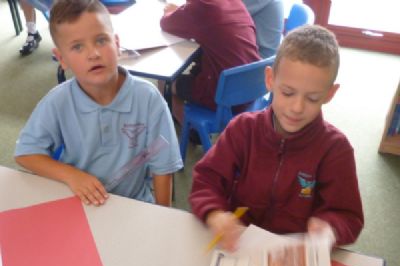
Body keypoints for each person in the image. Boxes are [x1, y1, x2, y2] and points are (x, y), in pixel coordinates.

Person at [189, 25, 364, 252]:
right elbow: (206, 178)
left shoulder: (336, 149)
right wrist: (215, 213)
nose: (297, 107)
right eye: (288, 92)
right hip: (240, 244)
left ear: (329, 94)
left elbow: (349, 216)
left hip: (294, 253)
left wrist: (330, 228)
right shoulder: (242, 129)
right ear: (270, 79)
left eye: (312, 98)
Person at [15, 0, 183, 207]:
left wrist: (161, 215)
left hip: (134, 204)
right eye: (77, 47)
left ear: (117, 44)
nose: (93, 54)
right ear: (61, 59)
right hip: (79, 203)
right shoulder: (57, 102)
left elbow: (163, 167)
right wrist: (72, 175)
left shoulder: (148, 99)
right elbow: (25, 153)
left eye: (101, 40)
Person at [160, 0, 261, 125]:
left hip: (224, 93)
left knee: (164, 82)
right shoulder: (236, 2)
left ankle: (192, 129)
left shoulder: (201, 6)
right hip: (252, 87)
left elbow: (166, 23)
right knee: (196, 67)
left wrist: (172, 12)